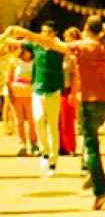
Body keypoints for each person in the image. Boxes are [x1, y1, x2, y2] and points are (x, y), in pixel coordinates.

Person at [4, 16, 105, 209]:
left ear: (86, 29)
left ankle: (100, 191)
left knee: (91, 145)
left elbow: (49, 43)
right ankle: (93, 176)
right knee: (92, 144)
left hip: (89, 102)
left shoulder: (81, 46)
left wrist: (25, 33)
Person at [3, 21, 64, 176]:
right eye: (42, 31)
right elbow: (15, 41)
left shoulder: (58, 46)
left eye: (47, 31)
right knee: (38, 120)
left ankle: (53, 160)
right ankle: (44, 152)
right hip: (37, 90)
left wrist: (26, 33)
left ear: (54, 33)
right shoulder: (35, 45)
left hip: (53, 91)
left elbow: (37, 39)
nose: (44, 34)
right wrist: (7, 33)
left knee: (52, 126)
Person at [6, 45, 38, 156]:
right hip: (16, 94)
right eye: (24, 51)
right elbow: (8, 79)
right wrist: (10, 94)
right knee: (19, 121)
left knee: (32, 120)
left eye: (27, 51)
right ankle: (22, 144)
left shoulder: (35, 62)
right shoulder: (14, 62)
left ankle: (34, 143)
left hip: (30, 94)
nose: (25, 53)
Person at [59, 27, 81, 156]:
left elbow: (76, 76)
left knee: (68, 120)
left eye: (72, 37)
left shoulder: (76, 56)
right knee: (59, 119)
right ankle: (60, 147)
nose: (69, 40)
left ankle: (70, 147)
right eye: (67, 37)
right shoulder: (62, 54)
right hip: (58, 88)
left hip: (70, 89)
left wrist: (74, 91)